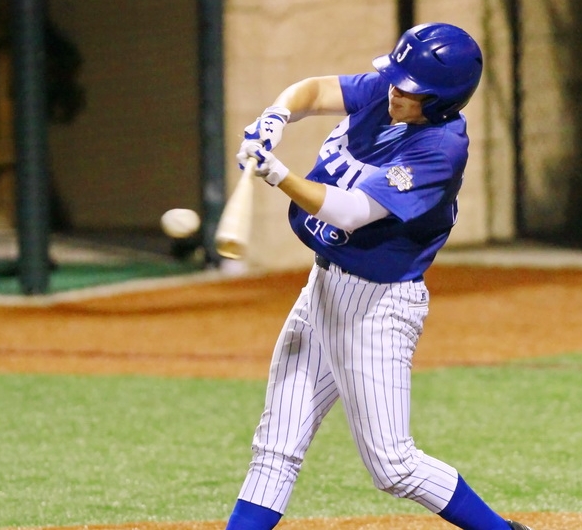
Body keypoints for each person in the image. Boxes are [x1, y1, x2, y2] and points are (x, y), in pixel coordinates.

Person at [225, 23, 534, 530]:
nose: (394, 89)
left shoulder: (438, 149)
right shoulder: (391, 95)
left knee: (393, 466)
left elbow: (349, 212)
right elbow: (319, 90)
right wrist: (276, 117)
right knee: (275, 445)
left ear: (439, 100)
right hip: (322, 288)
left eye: (409, 88)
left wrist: (279, 176)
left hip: (376, 308)